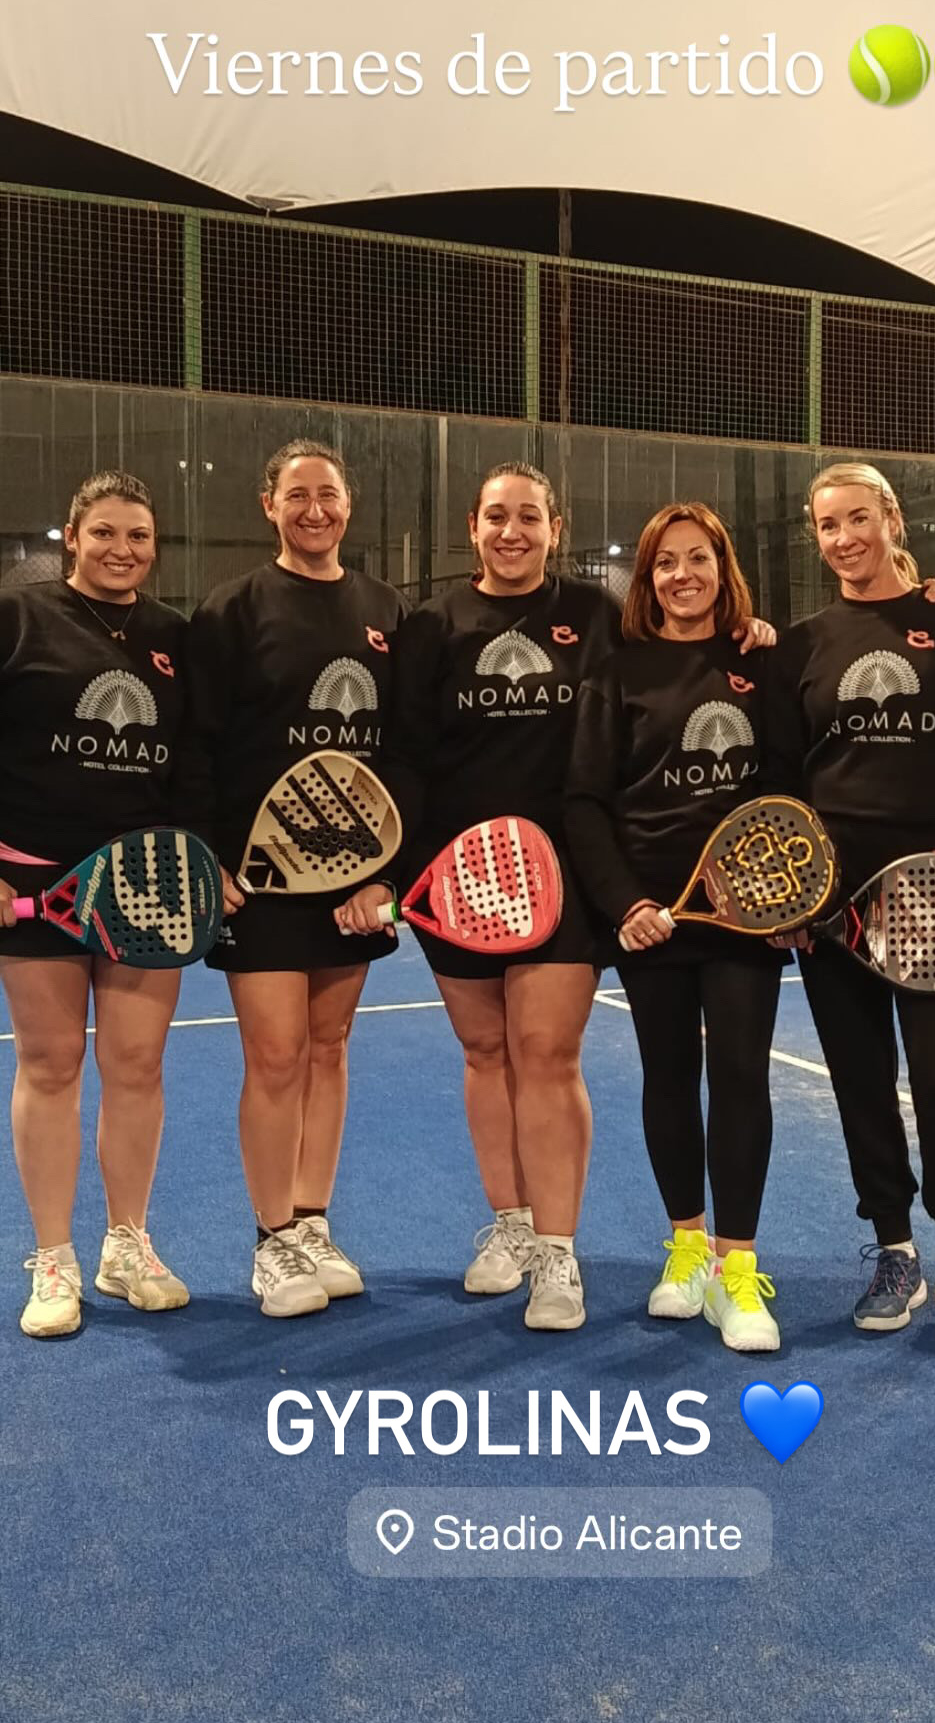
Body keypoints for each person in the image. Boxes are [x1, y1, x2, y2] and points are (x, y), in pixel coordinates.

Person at [343, 462, 770, 1332]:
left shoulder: (596, 615)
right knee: (484, 1051)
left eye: (529, 517)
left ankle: (557, 1253)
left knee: (546, 1053)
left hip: (567, 877)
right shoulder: (432, 627)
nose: (513, 531)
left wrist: (746, 632)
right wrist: (394, 870)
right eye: (497, 516)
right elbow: (409, 758)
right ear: (473, 527)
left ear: (554, 528)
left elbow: (674, 665)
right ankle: (510, 1225)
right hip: (457, 879)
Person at [767, 462, 935, 1360]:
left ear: (892, 518)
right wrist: (793, 893)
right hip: (834, 903)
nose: (844, 539)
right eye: (828, 526)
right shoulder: (803, 644)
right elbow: (785, 778)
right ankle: (895, 1251)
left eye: (858, 519)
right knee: (861, 1081)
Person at [187, 440, 404, 1318]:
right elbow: (195, 743)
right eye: (297, 495)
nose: (316, 510)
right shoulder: (232, 608)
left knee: (328, 1047)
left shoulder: (386, 609)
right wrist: (212, 854)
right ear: (268, 504)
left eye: (330, 494)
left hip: (353, 880)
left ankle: (313, 1221)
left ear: (349, 504)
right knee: (275, 1056)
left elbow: (403, 750)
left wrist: (383, 875)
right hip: (259, 880)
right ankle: (273, 1238)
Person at [564, 503, 783, 1352]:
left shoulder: (761, 660)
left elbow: (788, 788)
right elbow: (585, 800)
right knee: (668, 1075)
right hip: (652, 919)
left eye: (698, 559)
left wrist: (775, 899)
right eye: (665, 562)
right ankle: (687, 1250)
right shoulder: (616, 671)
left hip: (745, 915)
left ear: (723, 569)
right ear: (646, 578)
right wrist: (626, 904)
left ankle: (737, 1269)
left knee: (740, 1075)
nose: (682, 575)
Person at [0, 472, 191, 1336]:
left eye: (139, 536)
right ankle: (53, 1259)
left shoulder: (175, 638)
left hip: (146, 884)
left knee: (137, 1065)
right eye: (106, 533)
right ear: (72, 536)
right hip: (33, 879)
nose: (123, 550)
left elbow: (194, 760)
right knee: (49, 1064)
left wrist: (196, 855)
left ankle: (126, 1245)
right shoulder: (18, 617)